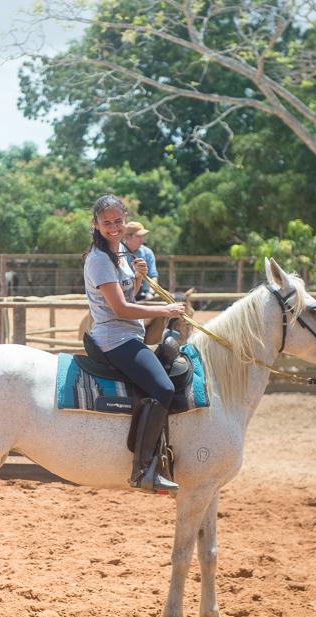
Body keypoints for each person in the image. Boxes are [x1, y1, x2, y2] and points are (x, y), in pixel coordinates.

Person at [82, 195, 185, 492]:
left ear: (125, 218)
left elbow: (130, 296)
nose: (113, 227)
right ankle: (143, 468)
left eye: (118, 221)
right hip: (116, 338)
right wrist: (166, 310)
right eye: (106, 223)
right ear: (95, 224)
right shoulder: (100, 260)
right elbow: (122, 310)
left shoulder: (122, 253)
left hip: (130, 335)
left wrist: (138, 277)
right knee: (163, 388)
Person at [122, 221, 157, 301]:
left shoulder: (148, 253)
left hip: (145, 296)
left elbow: (153, 276)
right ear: (127, 237)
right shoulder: (117, 253)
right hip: (123, 295)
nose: (142, 239)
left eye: (142, 236)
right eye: (138, 236)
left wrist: (151, 293)